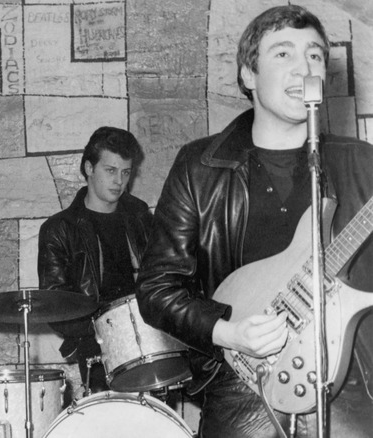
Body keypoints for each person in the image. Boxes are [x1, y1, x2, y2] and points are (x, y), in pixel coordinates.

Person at [137, 5, 373, 437]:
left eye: (315, 55)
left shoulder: (363, 164)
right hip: (243, 388)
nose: (305, 66)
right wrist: (228, 332)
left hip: (351, 385)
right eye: (283, 54)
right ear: (248, 73)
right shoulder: (200, 166)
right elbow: (156, 289)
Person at [38, 127, 152, 394]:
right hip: (96, 345)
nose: (119, 181)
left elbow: (164, 275)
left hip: (148, 335)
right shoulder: (60, 229)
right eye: (110, 170)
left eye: (126, 172)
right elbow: (56, 307)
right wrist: (108, 328)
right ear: (89, 168)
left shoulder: (140, 216)